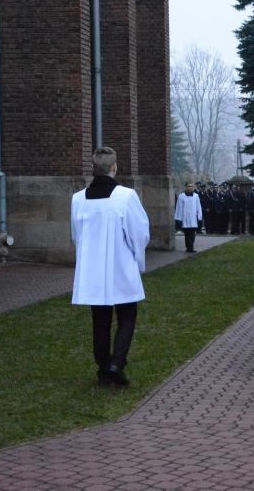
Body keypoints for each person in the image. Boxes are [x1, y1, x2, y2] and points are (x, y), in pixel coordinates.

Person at [70, 146, 150, 387]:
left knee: (100, 318)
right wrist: (137, 259)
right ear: (114, 167)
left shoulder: (78, 199)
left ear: (93, 168)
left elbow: (76, 236)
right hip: (120, 264)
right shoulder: (126, 196)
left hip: (93, 268)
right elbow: (139, 233)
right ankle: (116, 363)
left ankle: (104, 366)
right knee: (127, 314)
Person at [175, 182, 203, 253]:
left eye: (191, 186)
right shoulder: (181, 196)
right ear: (186, 187)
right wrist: (179, 218)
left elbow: (198, 207)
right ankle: (189, 248)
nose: (190, 188)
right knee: (187, 234)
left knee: (192, 234)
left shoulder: (196, 196)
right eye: (188, 186)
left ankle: (190, 247)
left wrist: (199, 216)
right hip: (185, 218)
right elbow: (179, 208)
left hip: (193, 218)